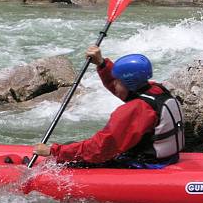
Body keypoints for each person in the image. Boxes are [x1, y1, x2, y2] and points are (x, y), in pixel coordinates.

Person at [32, 46, 185, 168]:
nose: (113, 84)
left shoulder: (135, 110)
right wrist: (102, 63)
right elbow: (124, 90)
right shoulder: (156, 90)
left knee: (68, 160)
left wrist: (54, 151)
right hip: (167, 158)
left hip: (143, 164)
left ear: (129, 85)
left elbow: (100, 149)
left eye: (117, 81)